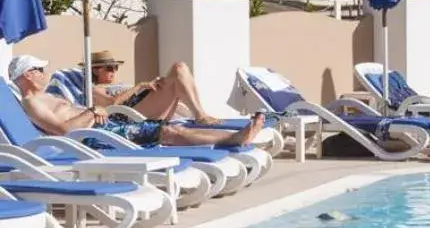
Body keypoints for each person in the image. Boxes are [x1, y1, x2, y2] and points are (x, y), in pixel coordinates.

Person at [10, 55, 263, 148]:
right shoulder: (33, 103)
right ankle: (232, 139)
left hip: (106, 124)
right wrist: (93, 111)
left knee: (167, 129)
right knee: (168, 131)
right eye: (39, 70)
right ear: (28, 75)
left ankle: (230, 135)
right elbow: (64, 131)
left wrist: (95, 112)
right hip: (98, 135)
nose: (45, 73)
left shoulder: (47, 96)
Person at [87, 50, 223, 123]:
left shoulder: (120, 84)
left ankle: (201, 114)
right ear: (95, 70)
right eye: (109, 68)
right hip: (131, 114)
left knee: (181, 68)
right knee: (177, 68)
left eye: (115, 67)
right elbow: (113, 102)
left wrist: (149, 86)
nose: (114, 71)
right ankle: (200, 116)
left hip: (145, 104)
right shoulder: (95, 89)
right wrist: (139, 86)